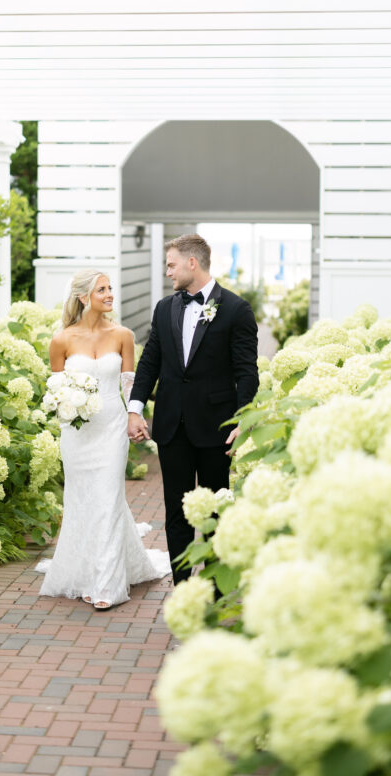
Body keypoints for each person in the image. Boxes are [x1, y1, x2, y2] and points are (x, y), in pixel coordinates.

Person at [128, 234, 259, 584]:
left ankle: (217, 591)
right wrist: (135, 408)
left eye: (171, 264)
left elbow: (247, 372)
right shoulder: (164, 308)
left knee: (217, 513)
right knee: (177, 514)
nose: (168, 272)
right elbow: (150, 362)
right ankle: (183, 588)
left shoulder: (235, 309)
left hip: (217, 428)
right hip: (172, 427)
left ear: (192, 263)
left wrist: (243, 419)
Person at [36, 268, 170, 609]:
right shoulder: (61, 340)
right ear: (84, 298)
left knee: (109, 497)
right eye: (102, 289)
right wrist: (66, 410)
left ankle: (107, 584)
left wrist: (134, 417)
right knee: (82, 499)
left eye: (110, 288)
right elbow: (56, 390)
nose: (110, 294)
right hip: (78, 432)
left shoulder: (123, 335)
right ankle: (83, 571)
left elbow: (130, 386)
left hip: (112, 427)